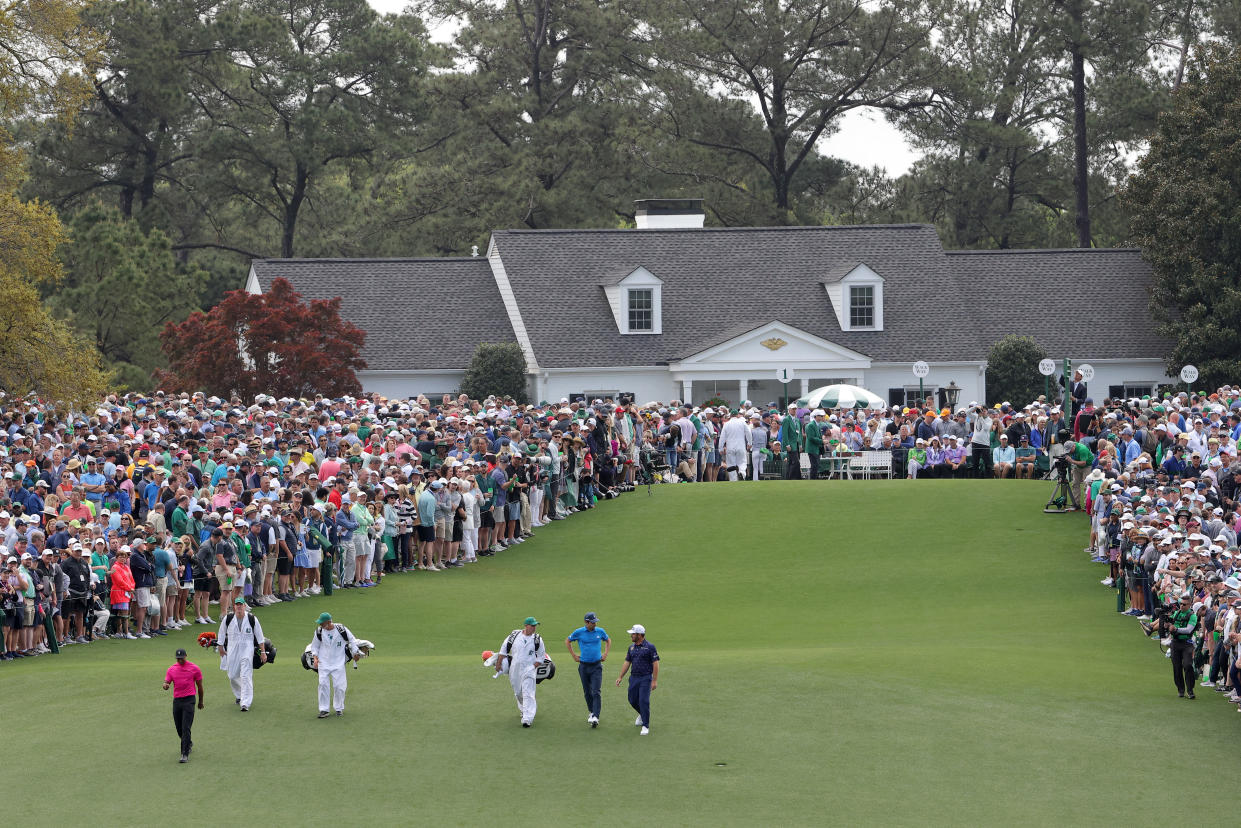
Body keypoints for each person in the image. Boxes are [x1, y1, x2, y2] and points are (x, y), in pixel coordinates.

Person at [217, 596, 265, 711]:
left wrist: (263, 652)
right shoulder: (228, 619)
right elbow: (221, 633)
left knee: (245, 675)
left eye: (241, 605)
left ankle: (245, 703)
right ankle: (239, 695)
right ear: (234, 606)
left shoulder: (252, 619)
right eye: (237, 605)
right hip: (232, 650)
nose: (239, 607)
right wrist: (220, 648)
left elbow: (260, 636)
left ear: (244, 606)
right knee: (232, 675)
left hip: (247, 650)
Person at [495, 616, 545, 727]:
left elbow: (541, 657)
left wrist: (533, 667)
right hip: (515, 669)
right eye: (532, 626)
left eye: (535, 626)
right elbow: (503, 650)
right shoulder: (513, 637)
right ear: (526, 626)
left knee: (528, 693)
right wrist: (498, 664)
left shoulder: (537, 639)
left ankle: (527, 718)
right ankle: (523, 709)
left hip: (529, 669)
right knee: (518, 692)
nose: (534, 628)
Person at [310, 611, 360, 717]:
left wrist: (356, 653)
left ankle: (339, 707)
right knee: (323, 684)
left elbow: (352, 640)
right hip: (323, 662)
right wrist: (315, 658)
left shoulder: (341, 629)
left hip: (338, 662)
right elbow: (315, 646)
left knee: (339, 686)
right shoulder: (319, 631)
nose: (320, 625)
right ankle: (324, 709)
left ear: (328, 622)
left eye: (322, 623)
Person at [566, 611, 611, 727]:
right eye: (592, 622)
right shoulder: (579, 632)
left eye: (595, 622)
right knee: (587, 692)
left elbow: (608, 640)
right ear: (586, 622)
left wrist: (605, 653)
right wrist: (574, 655)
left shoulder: (600, 631)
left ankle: (596, 716)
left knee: (596, 691)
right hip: (583, 666)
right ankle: (591, 712)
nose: (595, 624)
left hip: (596, 666)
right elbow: (568, 641)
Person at [615, 623, 659, 736]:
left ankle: (645, 725)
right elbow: (627, 662)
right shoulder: (631, 647)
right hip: (634, 678)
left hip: (645, 678)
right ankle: (642, 714)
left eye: (633, 634)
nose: (631, 636)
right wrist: (620, 676)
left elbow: (655, 663)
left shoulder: (650, 647)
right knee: (632, 700)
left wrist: (654, 680)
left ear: (639, 635)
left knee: (643, 701)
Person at [163, 647, 204, 763]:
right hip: (177, 701)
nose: (180, 661)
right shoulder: (171, 669)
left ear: (186, 656)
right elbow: (167, 681)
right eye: (178, 659)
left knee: (186, 727)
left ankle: (184, 754)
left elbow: (200, 686)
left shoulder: (194, 668)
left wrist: (200, 701)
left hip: (189, 700)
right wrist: (165, 685)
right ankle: (188, 742)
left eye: (182, 658)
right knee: (179, 728)